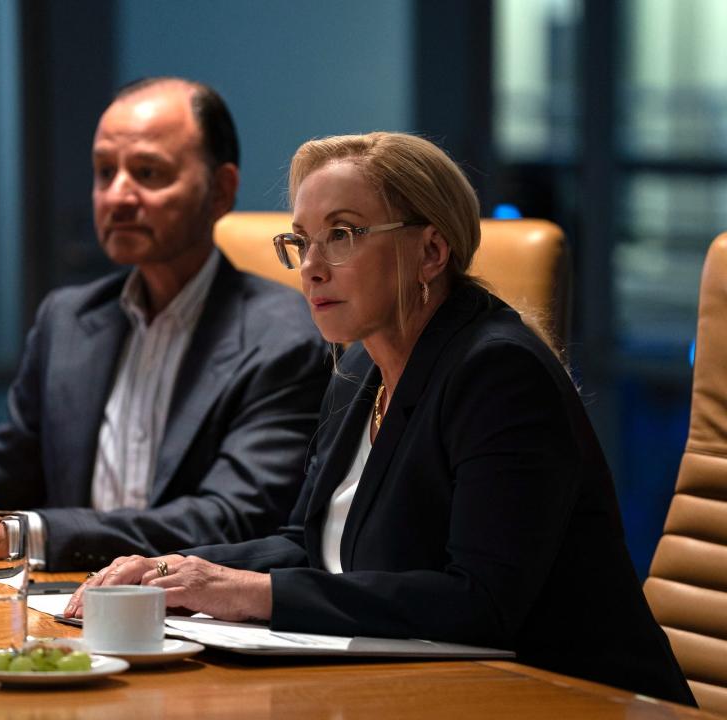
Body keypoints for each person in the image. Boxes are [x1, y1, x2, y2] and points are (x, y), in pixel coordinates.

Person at [65, 131, 695, 705]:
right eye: (302, 240)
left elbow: (480, 602)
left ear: (430, 251)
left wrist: (245, 592)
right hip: (426, 691)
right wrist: (173, 571)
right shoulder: (361, 368)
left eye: (343, 233)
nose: (312, 266)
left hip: (568, 699)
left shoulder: (499, 373)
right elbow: (309, 546)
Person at [0, 77, 330, 571]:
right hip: (62, 608)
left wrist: (23, 534)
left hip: (186, 618)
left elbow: (231, 518)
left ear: (220, 190)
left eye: (148, 172)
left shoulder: (285, 338)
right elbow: (0, 477)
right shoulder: (68, 320)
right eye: (104, 172)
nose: (117, 196)